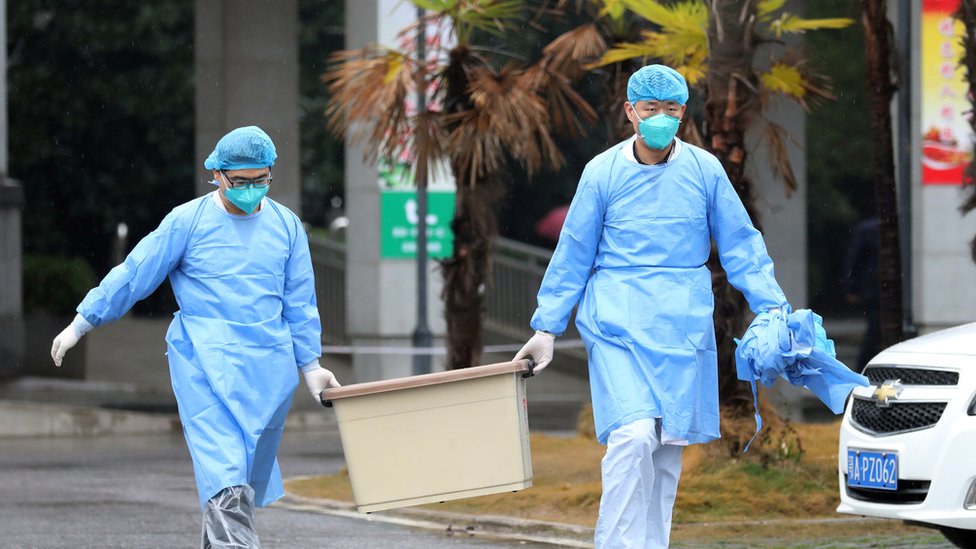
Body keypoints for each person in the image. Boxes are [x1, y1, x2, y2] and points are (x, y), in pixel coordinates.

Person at [513, 65, 791, 548]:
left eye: (670, 110)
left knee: (665, 452)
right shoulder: (602, 172)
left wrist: (774, 308)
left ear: (683, 113)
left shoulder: (705, 170)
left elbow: (741, 245)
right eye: (650, 109)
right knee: (634, 435)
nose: (660, 118)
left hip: (681, 327)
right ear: (630, 112)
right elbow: (574, 251)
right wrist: (547, 327)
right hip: (615, 323)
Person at [49, 125, 340, 548]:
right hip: (203, 361)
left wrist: (310, 364)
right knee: (224, 475)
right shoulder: (188, 221)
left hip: (267, 369)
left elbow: (300, 299)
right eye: (241, 182)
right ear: (217, 174)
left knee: (240, 476)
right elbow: (136, 273)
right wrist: (84, 321)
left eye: (261, 181)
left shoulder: (287, 226)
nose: (251, 190)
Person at [843, 217, 881, 371]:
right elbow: (855, 260)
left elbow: (854, 260)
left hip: (875, 289)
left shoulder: (868, 230)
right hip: (874, 289)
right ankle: (863, 369)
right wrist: (852, 287)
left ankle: (864, 368)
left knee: (875, 332)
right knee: (874, 332)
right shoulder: (869, 230)